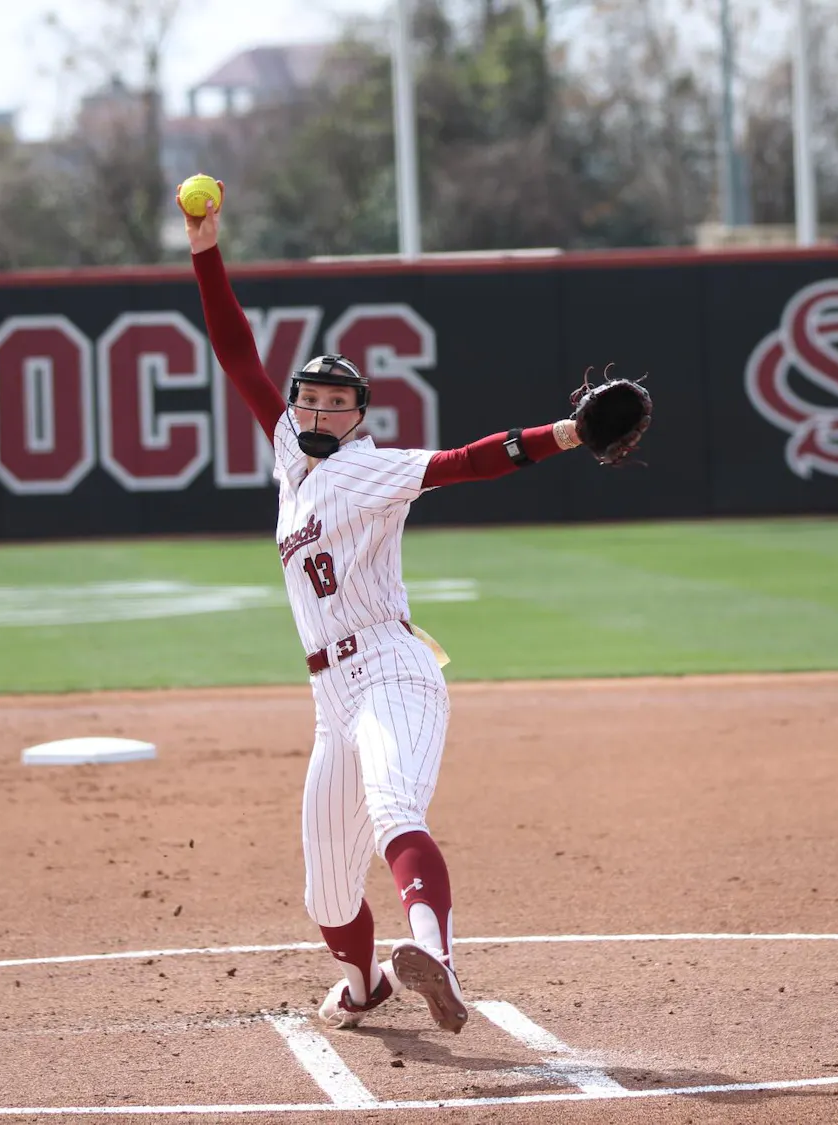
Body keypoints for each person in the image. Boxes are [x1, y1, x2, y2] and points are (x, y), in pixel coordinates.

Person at [181, 182, 588, 1034]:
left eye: (338, 403)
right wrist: (205, 247)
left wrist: (566, 433)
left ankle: (434, 955)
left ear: (361, 416)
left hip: (391, 668)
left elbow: (469, 462)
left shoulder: (366, 466)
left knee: (397, 808)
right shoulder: (292, 460)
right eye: (309, 400)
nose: (319, 410)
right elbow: (236, 354)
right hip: (330, 700)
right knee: (326, 889)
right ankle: (366, 981)